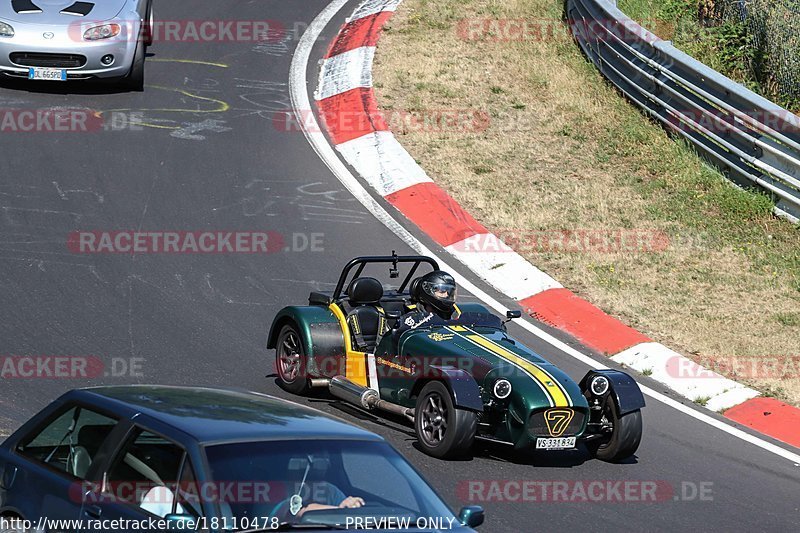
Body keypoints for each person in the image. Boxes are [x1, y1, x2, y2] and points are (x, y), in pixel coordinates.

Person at [391, 270, 459, 341]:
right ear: (427, 289)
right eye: (442, 291)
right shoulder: (413, 319)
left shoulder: (455, 314)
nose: (446, 295)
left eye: (450, 292)